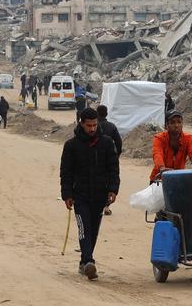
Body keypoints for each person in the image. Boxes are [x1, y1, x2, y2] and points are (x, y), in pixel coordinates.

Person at [60, 108, 120, 281]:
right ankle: (88, 261)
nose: (92, 129)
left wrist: (113, 189)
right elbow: (66, 172)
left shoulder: (107, 143)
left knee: (93, 230)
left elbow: (113, 169)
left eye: (95, 125)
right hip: (80, 196)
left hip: (100, 196)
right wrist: (67, 194)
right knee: (84, 228)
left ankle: (83, 262)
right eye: (89, 125)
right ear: (81, 123)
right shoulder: (71, 146)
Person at [149, 110, 192, 182]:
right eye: (172, 122)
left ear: (182, 124)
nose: (176, 125)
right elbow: (157, 154)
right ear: (166, 125)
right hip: (159, 178)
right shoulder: (159, 138)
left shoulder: (189, 138)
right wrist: (162, 168)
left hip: (178, 179)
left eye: (179, 122)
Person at [96, 105, 123, 216]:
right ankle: (106, 206)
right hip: (109, 159)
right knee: (109, 182)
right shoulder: (111, 127)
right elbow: (119, 142)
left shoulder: (93, 127)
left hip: (95, 159)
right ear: (106, 114)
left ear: (97, 114)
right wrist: (116, 155)